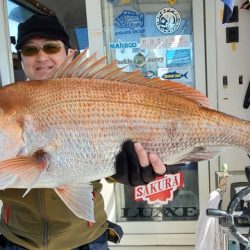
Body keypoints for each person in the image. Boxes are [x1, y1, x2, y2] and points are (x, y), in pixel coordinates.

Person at [0, 15, 167, 250]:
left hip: (86, 240)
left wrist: (130, 172)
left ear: (69, 54)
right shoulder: (9, 99)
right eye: (29, 50)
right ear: (21, 59)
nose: (41, 56)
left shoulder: (96, 92)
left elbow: (106, 159)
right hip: (17, 240)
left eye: (50, 47)